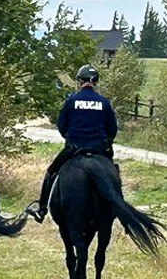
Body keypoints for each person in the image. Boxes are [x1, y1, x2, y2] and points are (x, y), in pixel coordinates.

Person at [25, 64, 118, 223]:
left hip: (74, 149)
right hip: (99, 150)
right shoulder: (104, 102)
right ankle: (122, 214)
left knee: (51, 172)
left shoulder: (71, 101)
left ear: (80, 81)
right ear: (95, 81)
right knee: (114, 174)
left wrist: (70, 138)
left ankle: (41, 209)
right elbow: (112, 129)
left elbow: (62, 126)